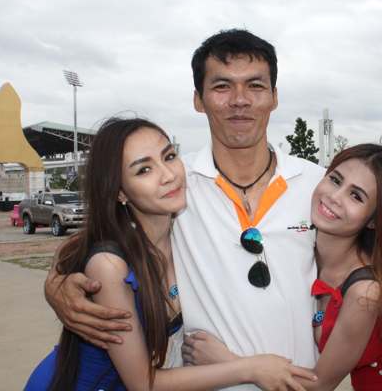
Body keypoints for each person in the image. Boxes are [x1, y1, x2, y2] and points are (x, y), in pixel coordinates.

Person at [44, 29, 382, 390]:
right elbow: (104, 241)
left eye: (255, 85)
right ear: (198, 99)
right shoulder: (175, 183)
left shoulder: (318, 185)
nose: (240, 100)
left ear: (274, 96)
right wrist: (56, 284)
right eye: (222, 86)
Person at [26, 117, 314, 390]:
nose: (168, 175)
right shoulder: (111, 266)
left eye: (169, 156)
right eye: (143, 170)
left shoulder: (182, 231)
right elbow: (143, 383)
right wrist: (249, 368)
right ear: (120, 192)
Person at [184, 144, 382, 390]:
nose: (334, 197)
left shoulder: (364, 293)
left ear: (374, 220)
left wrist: (229, 363)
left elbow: (320, 384)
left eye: (356, 196)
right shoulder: (314, 253)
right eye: (335, 180)